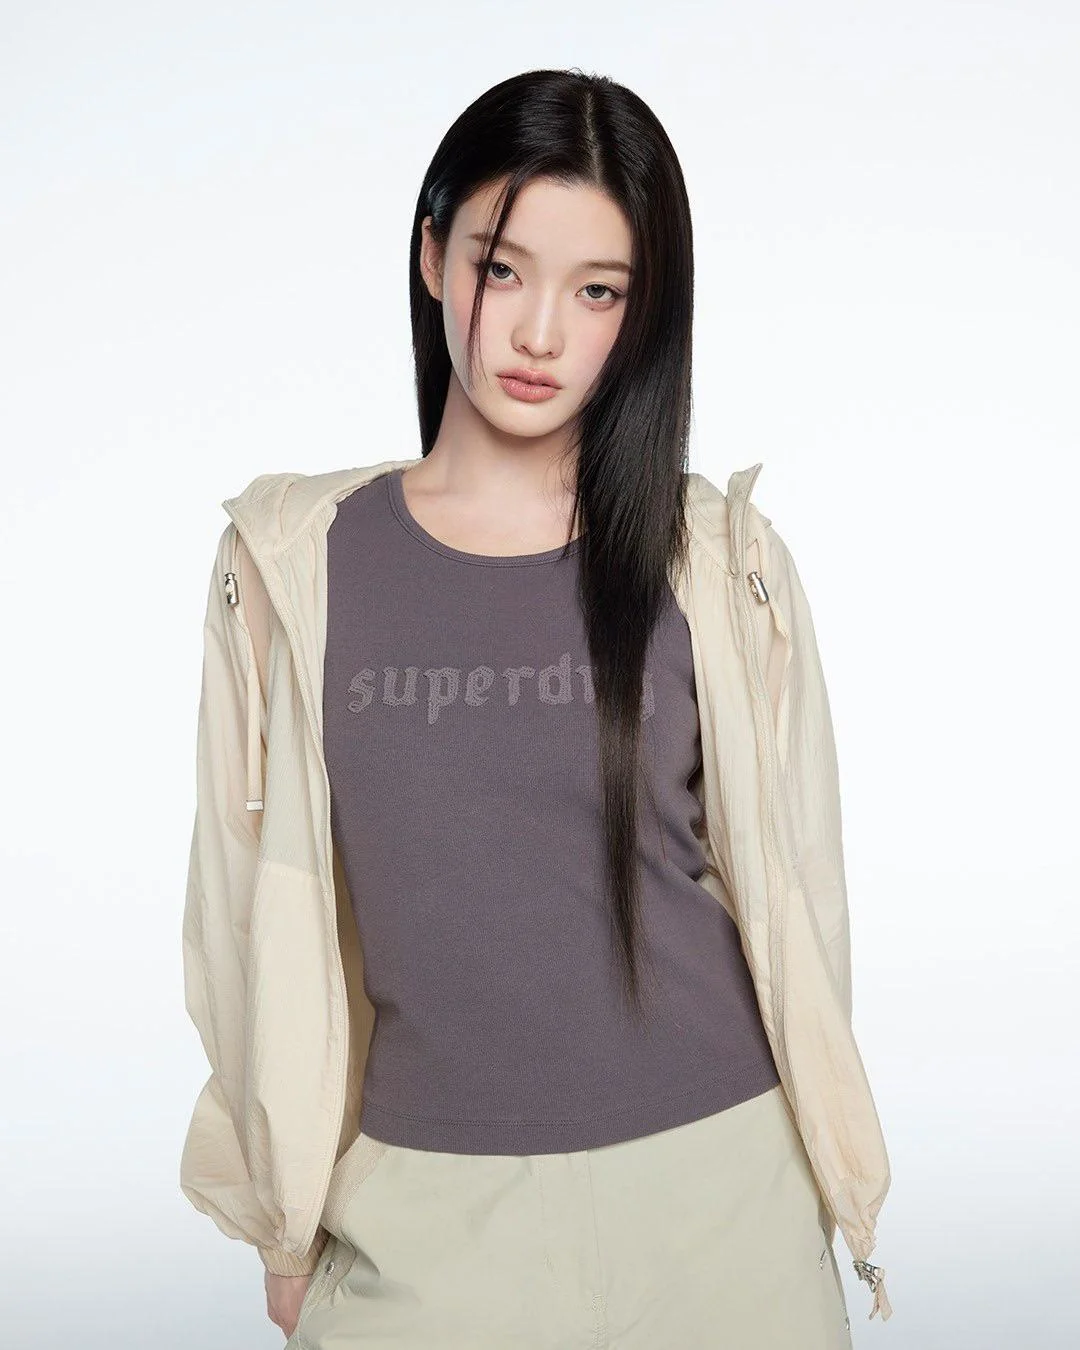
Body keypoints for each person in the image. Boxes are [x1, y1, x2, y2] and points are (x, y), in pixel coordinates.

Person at [180, 67, 893, 1348]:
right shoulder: (294, 565)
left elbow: (802, 894)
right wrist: (281, 1219)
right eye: (502, 270)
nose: (541, 334)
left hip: (725, 1195)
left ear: (642, 309)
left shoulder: (716, 560)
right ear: (432, 256)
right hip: (422, 1212)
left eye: (598, 290)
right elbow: (241, 907)